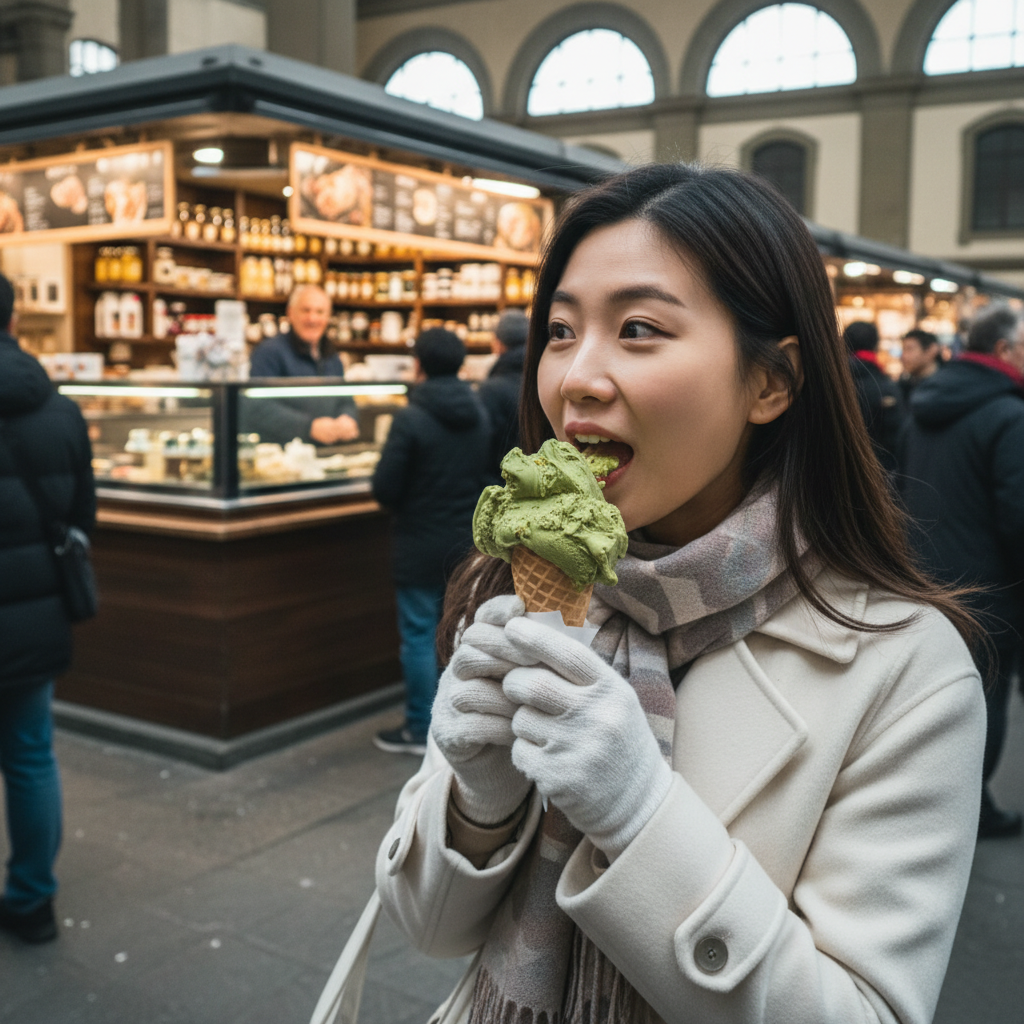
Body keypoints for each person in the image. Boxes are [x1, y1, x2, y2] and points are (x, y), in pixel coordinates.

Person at [373, 165, 986, 1024]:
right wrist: (477, 803)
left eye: (637, 328)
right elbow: (429, 929)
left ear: (771, 382)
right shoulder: (513, 591)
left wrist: (640, 816)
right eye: (559, 329)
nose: (575, 378)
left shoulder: (909, 671)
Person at [899, 303, 1024, 839]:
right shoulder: (1009, 415)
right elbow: (1018, 514)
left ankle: (919, 803)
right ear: (1004, 351)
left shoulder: (922, 402)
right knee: (983, 700)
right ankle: (971, 811)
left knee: (926, 701)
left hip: (920, 575)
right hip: (988, 587)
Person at [0, 272, 95, 943]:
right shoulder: (60, 411)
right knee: (31, 755)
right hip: (32, 616)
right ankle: (32, 899)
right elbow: (82, 515)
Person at [371, 328, 492, 755]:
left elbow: (385, 487)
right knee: (455, 630)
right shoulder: (477, 411)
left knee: (421, 634)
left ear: (419, 364)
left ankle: (421, 728)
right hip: (463, 541)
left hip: (418, 541)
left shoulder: (410, 417)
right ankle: (454, 721)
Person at [244, 283, 359, 445]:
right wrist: (308, 428)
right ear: (290, 313)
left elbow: (346, 400)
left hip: (326, 454)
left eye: (320, 312)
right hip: (281, 457)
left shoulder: (332, 356)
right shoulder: (269, 352)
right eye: (306, 310)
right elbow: (257, 408)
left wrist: (347, 418)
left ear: (328, 317)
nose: (313, 319)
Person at [844, 319, 905, 474]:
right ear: (875, 344)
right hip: (875, 473)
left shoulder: (829, 380)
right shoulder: (885, 386)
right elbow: (895, 437)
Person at [477, 308, 528, 483]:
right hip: (540, 485)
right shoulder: (545, 381)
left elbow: (483, 449)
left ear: (498, 344)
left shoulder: (490, 390)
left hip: (503, 485)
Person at [898, 327, 941, 403]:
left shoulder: (945, 388)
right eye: (903, 349)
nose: (903, 356)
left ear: (932, 350)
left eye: (909, 349)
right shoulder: (904, 386)